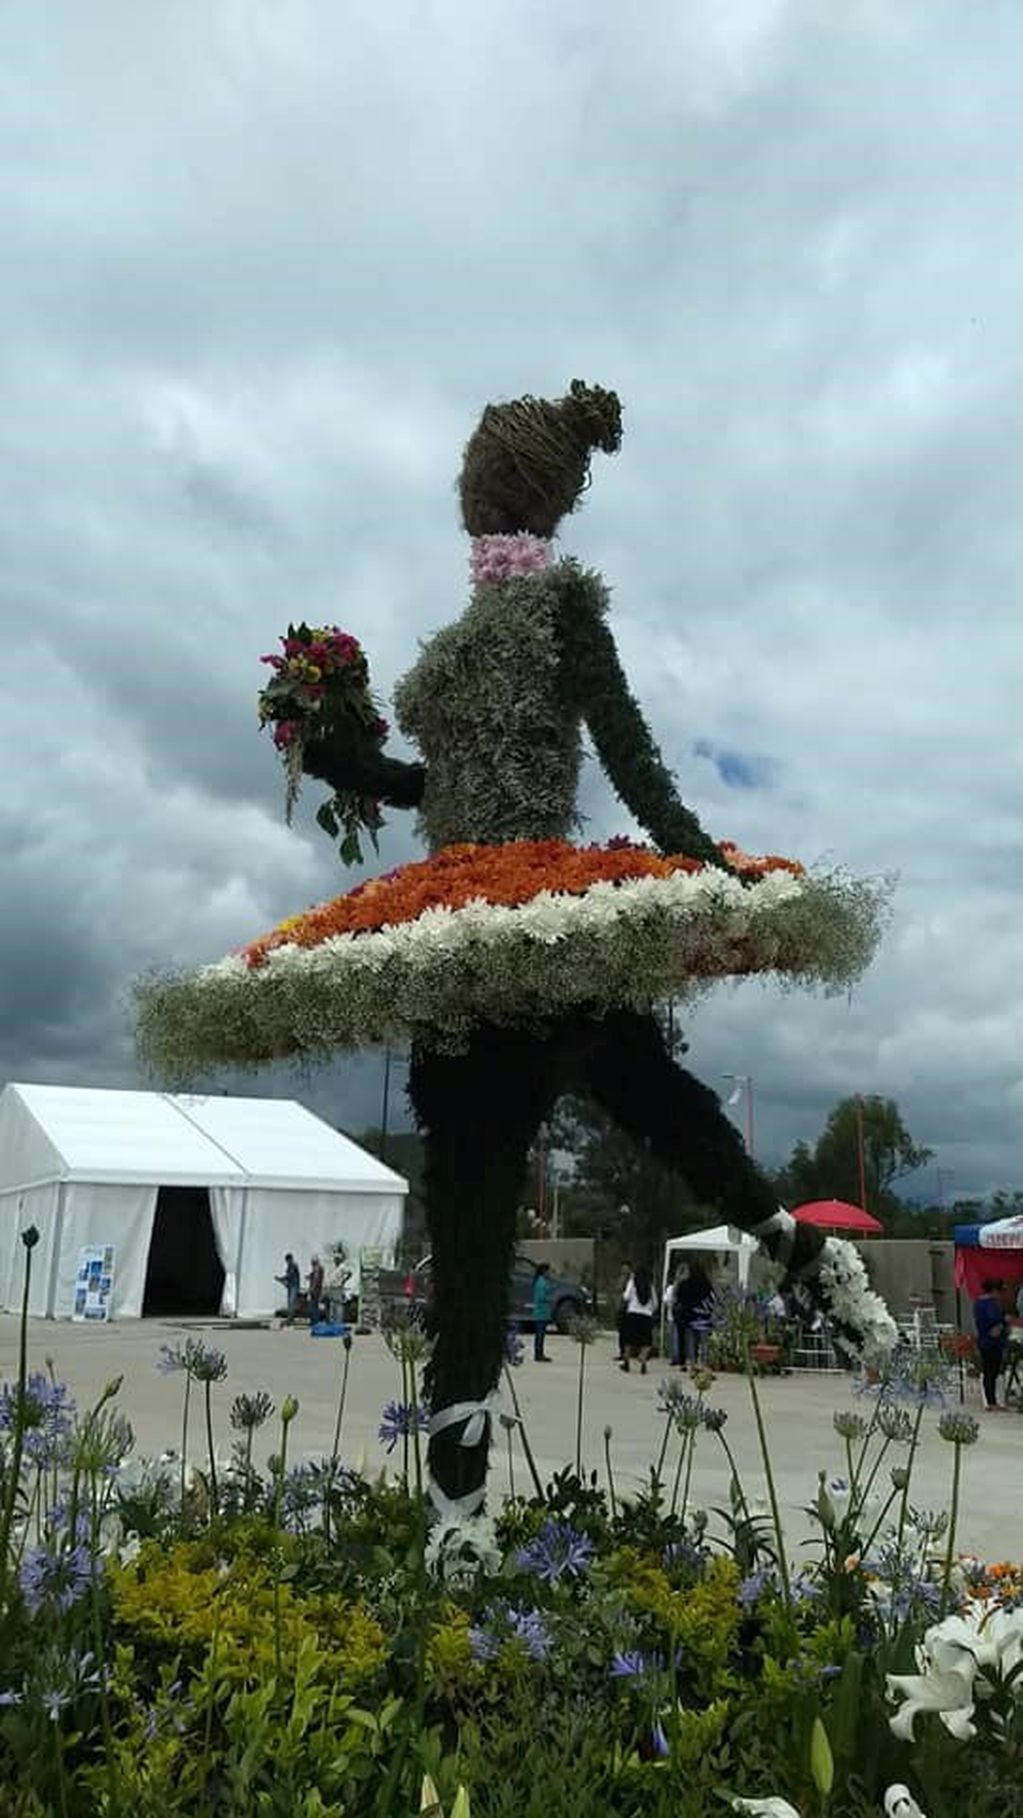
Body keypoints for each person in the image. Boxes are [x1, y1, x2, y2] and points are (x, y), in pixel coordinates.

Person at [973, 1277, 1007, 1411]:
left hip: (986, 1341)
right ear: (994, 1291)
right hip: (991, 1342)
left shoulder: (978, 1303)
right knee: (991, 1372)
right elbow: (995, 1322)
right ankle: (991, 1402)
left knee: (990, 1372)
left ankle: (991, 1400)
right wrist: (1003, 1323)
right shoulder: (990, 1304)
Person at [673, 1260, 713, 1366]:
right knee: (704, 1342)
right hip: (704, 1317)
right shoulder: (707, 1285)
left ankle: (693, 1363)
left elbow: (677, 1298)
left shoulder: (685, 1284)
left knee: (691, 1342)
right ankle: (704, 1364)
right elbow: (712, 1299)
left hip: (689, 1316)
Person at [620, 1264, 657, 1373]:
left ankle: (626, 1362)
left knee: (629, 1340)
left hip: (633, 1314)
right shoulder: (650, 1285)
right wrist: (650, 1310)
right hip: (646, 1316)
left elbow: (626, 1296)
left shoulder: (633, 1283)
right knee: (646, 1341)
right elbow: (655, 1303)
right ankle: (643, 1359)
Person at [324, 1245, 351, 1324]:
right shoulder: (333, 1267)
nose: (335, 1261)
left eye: (336, 1259)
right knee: (332, 1305)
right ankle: (333, 1320)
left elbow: (349, 1273)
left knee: (338, 1305)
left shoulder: (342, 1267)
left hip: (338, 1288)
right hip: (332, 1287)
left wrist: (344, 1281)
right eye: (334, 1259)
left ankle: (339, 1321)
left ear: (339, 1260)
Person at [531, 1262, 552, 1361]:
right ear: (544, 1271)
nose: (549, 1273)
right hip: (541, 1313)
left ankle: (539, 1353)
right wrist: (550, 1298)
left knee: (541, 1335)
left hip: (542, 1313)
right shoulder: (541, 1282)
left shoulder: (542, 1281)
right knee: (540, 1334)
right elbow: (541, 1297)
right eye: (548, 1271)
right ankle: (538, 1354)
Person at [275, 1252, 300, 1323]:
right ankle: (290, 1317)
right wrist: (282, 1280)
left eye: (288, 1261)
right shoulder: (289, 1266)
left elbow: (289, 1276)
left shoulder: (294, 1265)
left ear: (290, 1259)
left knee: (292, 1302)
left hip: (294, 1287)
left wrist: (281, 1278)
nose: (287, 1262)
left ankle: (291, 1318)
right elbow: (288, 1276)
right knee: (289, 1302)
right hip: (290, 1286)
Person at [307, 1254, 325, 1323]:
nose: (311, 1264)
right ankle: (315, 1320)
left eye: (312, 1262)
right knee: (315, 1305)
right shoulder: (319, 1268)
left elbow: (316, 1279)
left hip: (315, 1290)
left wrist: (312, 1288)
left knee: (313, 1306)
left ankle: (314, 1320)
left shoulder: (317, 1268)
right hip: (318, 1289)